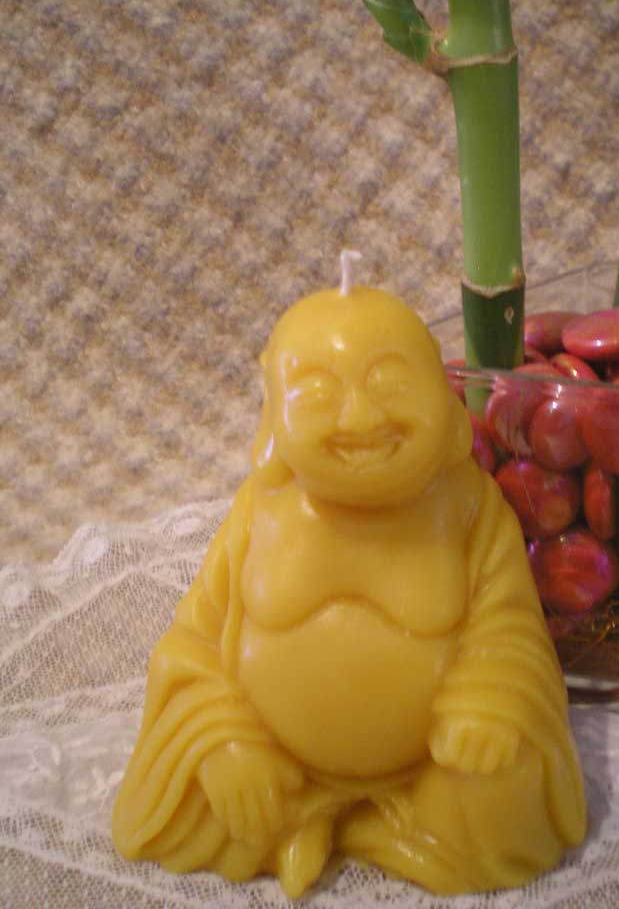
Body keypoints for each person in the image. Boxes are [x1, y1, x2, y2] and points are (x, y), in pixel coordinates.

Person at [112, 283, 586, 897]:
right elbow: (191, 646)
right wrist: (222, 740)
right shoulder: (259, 511)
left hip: (432, 771)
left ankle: (371, 829)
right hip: (279, 768)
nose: (360, 418)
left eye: (392, 384)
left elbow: (510, 629)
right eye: (315, 393)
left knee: (507, 799)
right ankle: (301, 816)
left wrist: (490, 700)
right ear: (273, 419)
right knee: (210, 798)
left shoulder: (471, 507)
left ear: (444, 404)